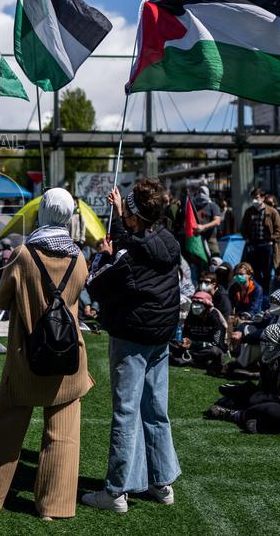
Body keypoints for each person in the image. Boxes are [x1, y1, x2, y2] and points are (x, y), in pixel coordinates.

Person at [0, 188, 92, 521]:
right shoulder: (79, 258)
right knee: (64, 435)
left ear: (42, 211)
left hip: (25, 356)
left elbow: (0, 300)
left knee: (6, 430)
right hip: (68, 358)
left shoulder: (23, 254)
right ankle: (54, 507)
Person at [82, 178, 181, 514]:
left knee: (126, 412)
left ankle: (115, 491)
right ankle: (161, 483)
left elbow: (94, 286)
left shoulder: (129, 257)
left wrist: (102, 257)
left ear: (138, 218)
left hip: (133, 337)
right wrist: (121, 213)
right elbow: (137, 240)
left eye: (128, 214)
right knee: (156, 410)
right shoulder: (166, 240)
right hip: (160, 336)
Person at [170, 291, 228, 375]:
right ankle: (194, 361)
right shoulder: (191, 316)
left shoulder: (215, 319)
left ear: (207, 306)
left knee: (215, 351)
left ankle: (191, 360)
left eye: (199, 303)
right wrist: (182, 342)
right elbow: (186, 335)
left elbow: (217, 344)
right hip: (192, 350)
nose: (195, 306)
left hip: (206, 350)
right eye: (194, 302)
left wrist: (193, 344)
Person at [240, 188, 280, 291]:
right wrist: (247, 238)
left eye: (257, 197)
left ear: (263, 198)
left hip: (266, 245)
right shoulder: (249, 211)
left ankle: (266, 293)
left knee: (267, 272)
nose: (255, 200)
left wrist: (270, 238)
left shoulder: (272, 212)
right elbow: (243, 228)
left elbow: (279, 231)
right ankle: (257, 291)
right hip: (253, 245)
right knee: (254, 271)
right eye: (253, 198)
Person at [192, 186, 222, 257]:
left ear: (207, 193)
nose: (201, 194)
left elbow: (217, 221)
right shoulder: (194, 207)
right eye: (199, 192)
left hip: (210, 238)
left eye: (203, 192)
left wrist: (203, 227)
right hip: (196, 239)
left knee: (215, 259)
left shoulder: (213, 206)